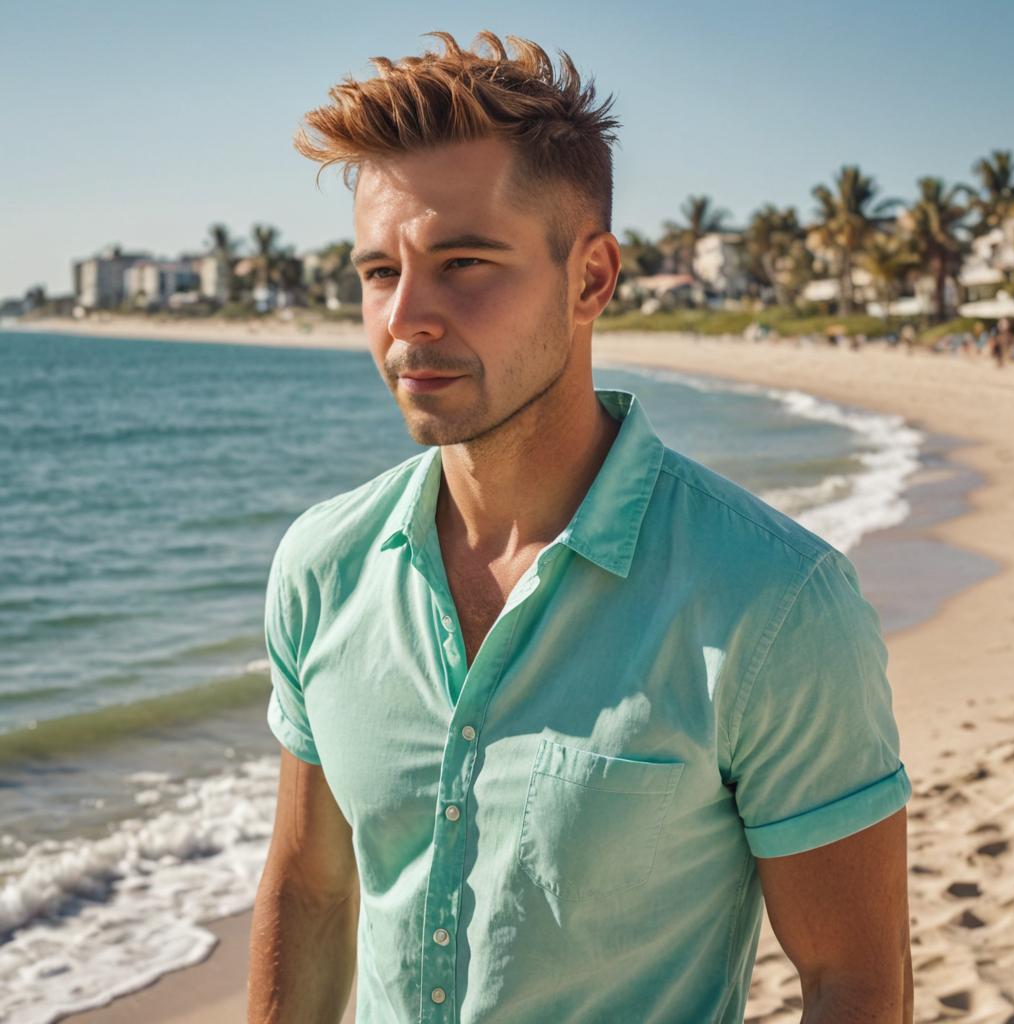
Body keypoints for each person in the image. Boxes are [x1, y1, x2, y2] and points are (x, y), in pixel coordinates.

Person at [248, 31, 913, 1024]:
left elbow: (853, 981)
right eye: (378, 272)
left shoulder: (774, 604)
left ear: (591, 279)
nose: (406, 318)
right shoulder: (322, 567)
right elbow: (311, 888)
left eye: (463, 263)